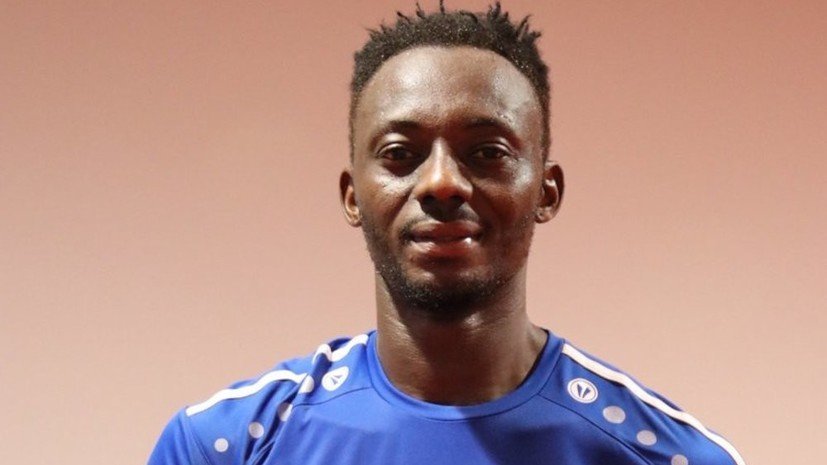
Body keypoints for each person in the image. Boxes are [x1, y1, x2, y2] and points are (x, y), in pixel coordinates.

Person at [149, 3, 744, 464]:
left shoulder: (667, 456)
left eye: (486, 152)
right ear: (353, 195)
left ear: (547, 192)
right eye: (400, 153)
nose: (440, 183)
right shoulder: (225, 448)